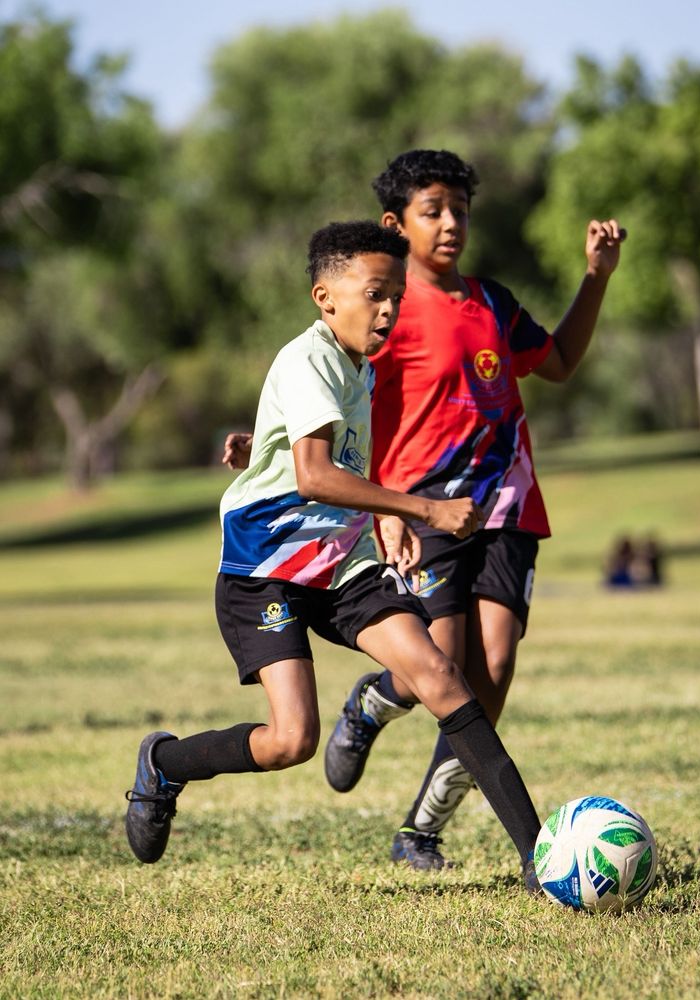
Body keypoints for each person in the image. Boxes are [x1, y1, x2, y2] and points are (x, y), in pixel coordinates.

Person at [125, 220, 543, 892]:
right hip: (266, 573)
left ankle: (537, 855)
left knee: (439, 673)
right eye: (375, 294)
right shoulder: (310, 358)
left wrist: (378, 517)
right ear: (325, 297)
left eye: (396, 298)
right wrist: (421, 509)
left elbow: (323, 455)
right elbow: (316, 475)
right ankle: (167, 763)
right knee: (292, 741)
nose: (389, 310)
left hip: (340, 567)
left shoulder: (360, 368)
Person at [317, 150, 626, 871]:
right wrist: (383, 510)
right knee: (441, 662)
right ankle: (373, 702)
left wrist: (596, 278)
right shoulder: (383, 313)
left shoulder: (492, 302)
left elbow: (557, 362)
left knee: (493, 667)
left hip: (508, 510)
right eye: (434, 211)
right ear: (397, 224)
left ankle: (421, 830)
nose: (451, 223)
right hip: (422, 518)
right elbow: (332, 410)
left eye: (460, 209)